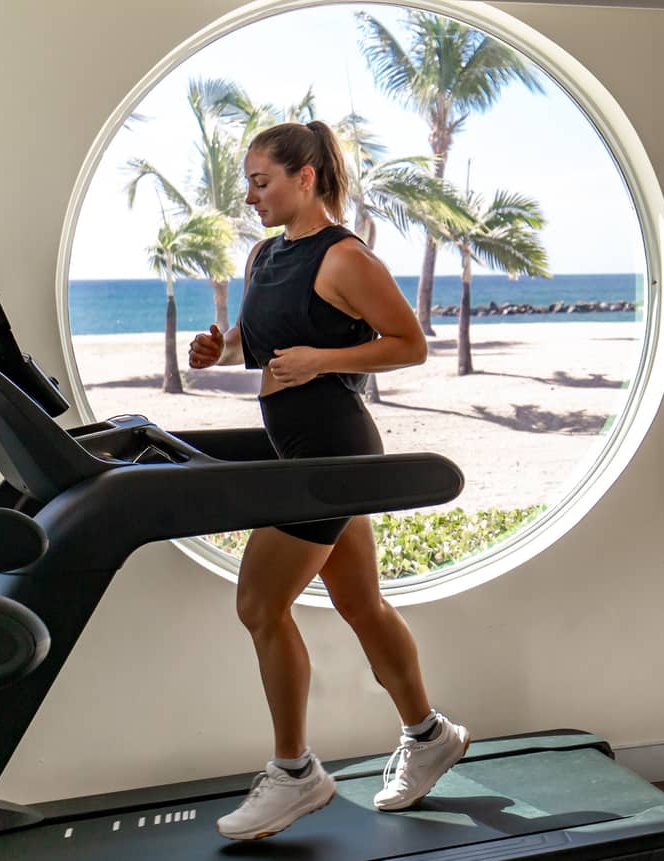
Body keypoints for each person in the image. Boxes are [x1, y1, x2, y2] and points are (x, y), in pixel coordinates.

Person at [187, 120, 469, 841]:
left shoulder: (345, 258)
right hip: (305, 454)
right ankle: (430, 733)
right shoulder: (263, 256)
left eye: (262, 180)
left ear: (305, 178)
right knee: (363, 604)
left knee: (259, 602)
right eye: (248, 182)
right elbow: (265, 341)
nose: (250, 195)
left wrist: (322, 361)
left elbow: (410, 344)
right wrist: (223, 348)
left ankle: (293, 773)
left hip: (334, 455)